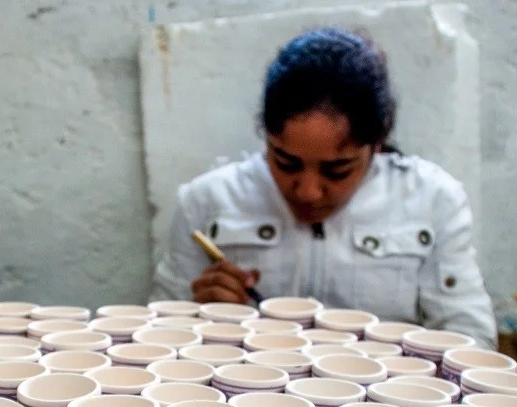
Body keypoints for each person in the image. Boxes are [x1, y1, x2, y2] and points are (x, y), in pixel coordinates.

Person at [149, 28, 497, 349]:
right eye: (286, 163)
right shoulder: (208, 202)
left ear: (376, 145)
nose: (309, 192)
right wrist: (197, 317)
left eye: (337, 170)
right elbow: (158, 341)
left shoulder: (432, 201)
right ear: (265, 136)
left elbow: (472, 341)